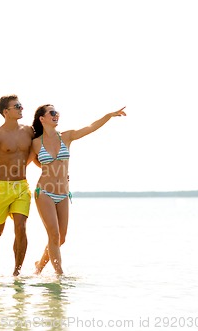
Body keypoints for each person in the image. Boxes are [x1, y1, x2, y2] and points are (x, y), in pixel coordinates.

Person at [29, 104, 126, 275]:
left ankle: (39, 267)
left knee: (61, 238)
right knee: (53, 234)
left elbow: (90, 127)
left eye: (57, 112)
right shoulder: (35, 143)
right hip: (44, 192)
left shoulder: (67, 136)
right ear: (42, 119)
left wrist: (109, 115)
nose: (56, 115)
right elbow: (24, 162)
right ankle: (59, 275)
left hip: (63, 193)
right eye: (52, 112)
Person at [0, 94, 34, 276]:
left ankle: (17, 273)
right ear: (6, 112)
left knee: (21, 227)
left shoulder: (29, 131)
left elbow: (44, 147)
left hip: (21, 186)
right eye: (17, 106)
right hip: (0, 188)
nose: (21, 108)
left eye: (20, 105)